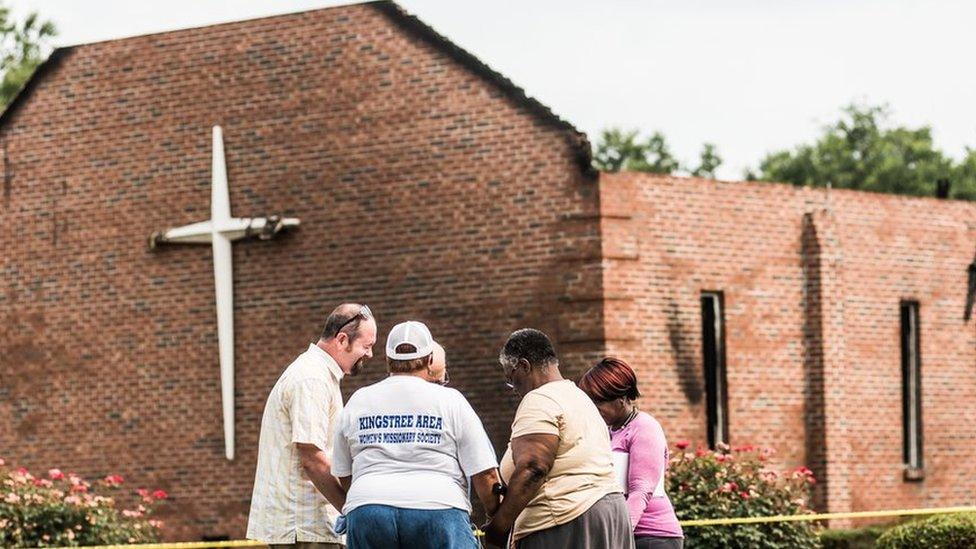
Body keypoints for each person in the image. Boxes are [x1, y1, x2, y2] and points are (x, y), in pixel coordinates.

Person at [332, 321, 501, 549]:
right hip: (438, 506)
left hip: (369, 508)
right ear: (430, 360)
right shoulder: (450, 400)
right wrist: (498, 519)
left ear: (387, 360)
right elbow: (486, 474)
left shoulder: (359, 399)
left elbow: (344, 472)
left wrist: (368, 499)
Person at [482, 329, 634, 549]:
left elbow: (533, 467)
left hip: (565, 519)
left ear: (524, 366)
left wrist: (498, 528)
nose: (513, 389)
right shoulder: (580, 398)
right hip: (610, 514)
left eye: (511, 378)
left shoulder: (540, 399)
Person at [247, 303, 377, 549]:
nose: (369, 354)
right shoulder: (312, 379)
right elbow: (312, 459)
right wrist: (354, 511)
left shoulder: (317, 374)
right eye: (366, 346)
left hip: (306, 527)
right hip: (304, 527)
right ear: (342, 340)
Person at [578, 358, 684, 549]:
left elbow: (640, 491)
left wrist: (617, 538)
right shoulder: (608, 431)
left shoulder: (644, 427)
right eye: (589, 401)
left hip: (652, 536)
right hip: (625, 533)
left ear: (622, 397)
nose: (593, 408)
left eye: (599, 400)